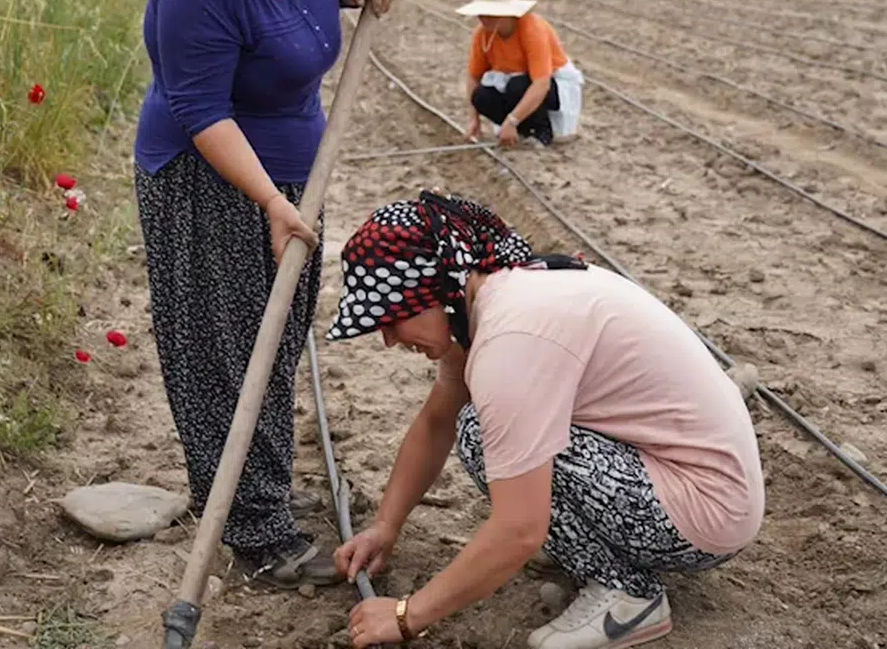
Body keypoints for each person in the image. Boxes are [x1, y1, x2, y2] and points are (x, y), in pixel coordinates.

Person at [132, 0, 399, 590]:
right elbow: (201, 110)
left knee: (277, 340)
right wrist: (269, 203)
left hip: (295, 172)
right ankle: (256, 535)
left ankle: (261, 493)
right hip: (208, 173)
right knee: (224, 350)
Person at [324, 192, 765, 648]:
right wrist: (386, 525)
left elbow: (520, 529)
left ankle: (631, 598)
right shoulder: (499, 290)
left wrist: (405, 616)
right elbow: (438, 420)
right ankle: (601, 557)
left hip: (704, 513)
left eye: (393, 318)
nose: (388, 340)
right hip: (689, 483)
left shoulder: (511, 339)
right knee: (486, 430)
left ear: (436, 290)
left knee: (482, 435)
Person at [458, 0, 585, 148]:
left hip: (550, 85)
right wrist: (474, 118)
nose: (482, 18)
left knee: (517, 86)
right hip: (514, 83)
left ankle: (541, 132)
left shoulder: (532, 30)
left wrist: (511, 121)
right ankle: (521, 131)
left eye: (489, 13)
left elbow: (542, 83)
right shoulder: (482, 34)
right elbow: (474, 76)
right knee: (481, 96)